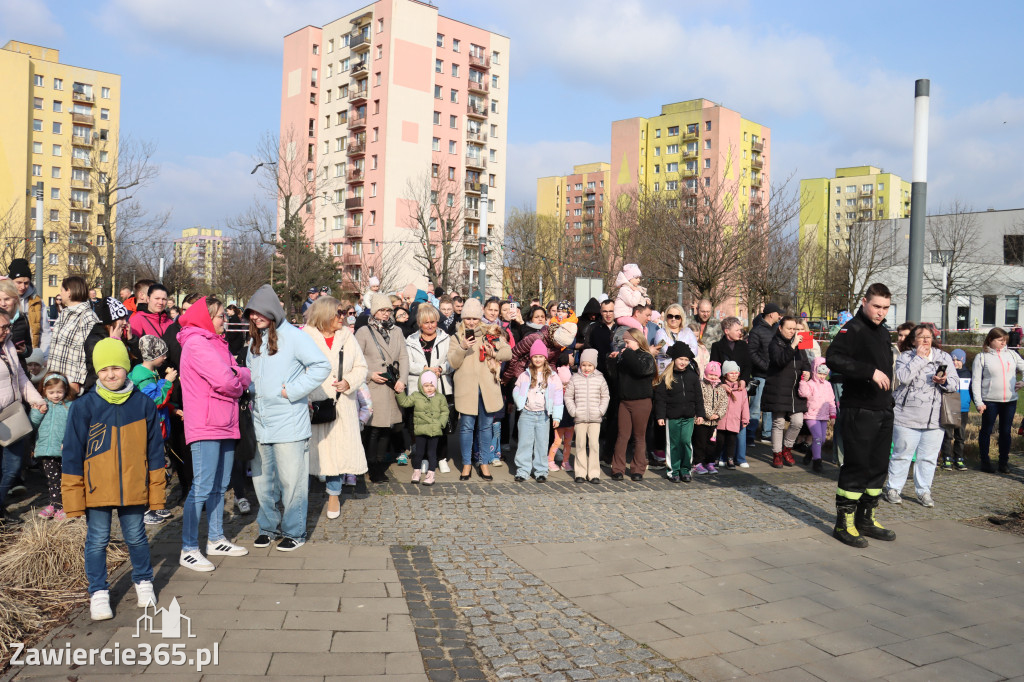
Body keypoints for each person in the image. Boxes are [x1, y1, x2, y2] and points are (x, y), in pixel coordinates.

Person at [61, 339, 165, 619]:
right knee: (97, 540)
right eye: (104, 369)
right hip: (97, 489)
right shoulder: (84, 407)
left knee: (136, 536)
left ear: (126, 368)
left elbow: (155, 450)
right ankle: (98, 592)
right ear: (96, 372)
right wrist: (73, 498)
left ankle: (144, 581)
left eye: (116, 368)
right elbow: (72, 453)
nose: (110, 374)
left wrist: (156, 494)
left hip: (134, 486)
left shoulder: (143, 404)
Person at [245, 284, 331, 552]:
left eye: (259, 312)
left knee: (292, 481)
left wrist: (291, 391)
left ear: (271, 310)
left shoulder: (295, 336)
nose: (255, 317)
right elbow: (251, 372)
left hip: (289, 422)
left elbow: (321, 366)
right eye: (251, 313)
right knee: (262, 480)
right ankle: (268, 526)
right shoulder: (255, 339)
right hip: (260, 421)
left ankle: (295, 531)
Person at [177, 297, 252, 570]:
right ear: (208, 318)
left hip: (226, 421)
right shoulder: (197, 343)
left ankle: (216, 537)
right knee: (202, 486)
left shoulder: (216, 343)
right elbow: (228, 380)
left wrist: (238, 376)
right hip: (206, 423)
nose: (225, 320)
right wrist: (238, 377)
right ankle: (188, 547)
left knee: (220, 485)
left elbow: (240, 373)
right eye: (220, 316)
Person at [825, 283, 897, 547]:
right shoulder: (852, 328)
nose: (881, 312)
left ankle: (866, 519)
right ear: (865, 302)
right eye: (877, 306)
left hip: (882, 409)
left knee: (878, 466)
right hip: (859, 409)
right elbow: (832, 358)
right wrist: (870, 372)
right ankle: (844, 523)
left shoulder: (883, 331)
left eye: (886, 308)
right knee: (856, 466)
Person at [302, 296, 368, 513]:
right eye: (339, 312)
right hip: (313, 403)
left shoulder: (347, 338)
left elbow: (361, 366)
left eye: (343, 312)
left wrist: (348, 381)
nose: (343, 316)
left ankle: (333, 495)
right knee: (310, 451)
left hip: (341, 403)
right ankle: (301, 499)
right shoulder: (305, 337)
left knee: (337, 451)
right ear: (325, 314)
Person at [884, 324, 957, 508]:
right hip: (907, 415)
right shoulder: (906, 356)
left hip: (934, 419)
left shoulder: (944, 357)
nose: (925, 340)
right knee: (902, 454)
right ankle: (893, 488)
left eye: (928, 336)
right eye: (921, 336)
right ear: (913, 340)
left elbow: (955, 384)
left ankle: (924, 491)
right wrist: (919, 358)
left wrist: (945, 381)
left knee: (928, 457)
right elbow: (903, 376)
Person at [449, 298, 511, 480]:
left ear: (480, 318)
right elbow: (452, 362)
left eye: (475, 318)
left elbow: (508, 353)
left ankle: (484, 463)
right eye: (467, 318)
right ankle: (467, 464)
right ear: (462, 318)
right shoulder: (456, 337)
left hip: (487, 389)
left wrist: (493, 351)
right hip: (467, 389)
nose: (471, 322)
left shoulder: (490, 333)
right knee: (467, 427)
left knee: (485, 428)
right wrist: (462, 347)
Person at [355, 293, 409, 483]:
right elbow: (356, 360)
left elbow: (403, 356)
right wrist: (369, 374)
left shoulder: (397, 331)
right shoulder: (363, 331)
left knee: (387, 427)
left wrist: (402, 379)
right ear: (374, 311)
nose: (386, 314)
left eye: (388, 310)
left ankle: (379, 465)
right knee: (374, 429)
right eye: (382, 310)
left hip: (392, 385)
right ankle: (372, 467)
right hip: (373, 386)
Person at [129, 336, 176, 526]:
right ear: (152, 355)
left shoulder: (151, 374)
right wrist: (168, 382)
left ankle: (156, 504)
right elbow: (154, 401)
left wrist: (173, 408)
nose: (165, 358)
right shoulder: (143, 378)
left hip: (158, 430)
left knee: (158, 470)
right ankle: (145, 508)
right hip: (148, 431)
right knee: (149, 471)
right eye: (162, 354)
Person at [405, 303, 453, 474]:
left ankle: (441, 457)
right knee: (421, 426)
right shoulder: (410, 340)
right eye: (426, 322)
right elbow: (408, 364)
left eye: (433, 321)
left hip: (440, 387)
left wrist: (442, 369)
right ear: (419, 323)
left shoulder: (446, 338)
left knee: (440, 425)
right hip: (419, 390)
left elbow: (451, 362)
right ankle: (423, 457)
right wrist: (425, 368)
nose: (430, 325)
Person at [971, 327, 1024, 474]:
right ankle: (985, 461)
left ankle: (1003, 462)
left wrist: (1023, 381)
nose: (1003, 343)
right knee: (987, 430)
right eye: (1000, 340)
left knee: (1006, 432)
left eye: (1005, 340)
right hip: (990, 401)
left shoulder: (1012, 355)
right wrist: (979, 402)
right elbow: (975, 381)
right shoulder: (981, 357)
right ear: (990, 340)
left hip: (1010, 401)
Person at [512, 339, 564, 483]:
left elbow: (559, 397)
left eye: (541, 356)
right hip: (527, 414)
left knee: (541, 444)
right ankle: (523, 471)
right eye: (535, 356)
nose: (538, 359)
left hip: (544, 415)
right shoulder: (525, 375)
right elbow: (516, 389)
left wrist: (557, 416)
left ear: (545, 358)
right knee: (524, 443)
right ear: (531, 357)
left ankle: (541, 470)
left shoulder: (552, 376)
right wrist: (520, 401)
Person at [764, 316, 812, 468]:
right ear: (780, 328)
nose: (793, 332)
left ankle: (787, 448)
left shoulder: (800, 343)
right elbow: (780, 360)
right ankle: (777, 453)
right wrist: (793, 345)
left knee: (798, 421)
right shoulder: (774, 343)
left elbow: (806, 362)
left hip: (795, 391)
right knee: (778, 422)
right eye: (789, 328)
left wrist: (807, 371)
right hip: (778, 389)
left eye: (794, 328)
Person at [610, 328, 656, 481]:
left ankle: (638, 469)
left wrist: (628, 354)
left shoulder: (647, 356)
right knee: (622, 436)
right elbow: (614, 377)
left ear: (637, 341)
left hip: (641, 402)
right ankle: (617, 468)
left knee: (639, 436)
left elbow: (640, 370)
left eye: (628, 342)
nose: (626, 345)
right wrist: (612, 360)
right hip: (625, 401)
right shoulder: (625, 357)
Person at [654, 343, 703, 483]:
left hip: (688, 416)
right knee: (673, 444)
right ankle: (673, 471)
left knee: (686, 442)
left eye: (686, 360)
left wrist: (700, 414)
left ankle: (685, 469)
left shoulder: (692, 376)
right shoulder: (666, 376)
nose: (683, 362)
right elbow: (661, 399)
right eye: (681, 359)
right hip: (672, 416)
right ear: (674, 359)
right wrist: (660, 416)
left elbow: (698, 397)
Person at [710, 317, 752, 467]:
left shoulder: (743, 346)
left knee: (739, 422)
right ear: (727, 331)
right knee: (722, 425)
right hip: (723, 389)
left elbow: (748, 365)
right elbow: (714, 367)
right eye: (737, 330)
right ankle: (721, 456)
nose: (741, 332)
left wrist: (744, 380)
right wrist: (720, 383)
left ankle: (739, 457)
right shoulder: (717, 346)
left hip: (739, 388)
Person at [30, 373, 73, 520]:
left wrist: (68, 442)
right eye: (51, 392)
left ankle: (61, 505)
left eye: (59, 392)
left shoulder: (69, 406)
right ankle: (54, 504)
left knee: (63, 479)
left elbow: (73, 427)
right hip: (46, 450)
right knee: (52, 479)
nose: (56, 395)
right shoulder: (43, 405)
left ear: (65, 390)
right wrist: (37, 411)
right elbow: (33, 424)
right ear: (44, 391)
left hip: (63, 450)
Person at [47, 276, 101, 394]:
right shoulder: (64, 313)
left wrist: (76, 380)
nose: (60, 293)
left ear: (69, 292)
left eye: (62, 290)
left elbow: (84, 351)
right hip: (56, 379)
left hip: (71, 383)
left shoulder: (87, 317)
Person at [395, 371, 449, 485]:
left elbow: (445, 411)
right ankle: (417, 471)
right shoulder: (416, 396)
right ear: (421, 385)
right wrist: (400, 393)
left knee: (432, 453)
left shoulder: (440, 397)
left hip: (434, 430)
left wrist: (440, 423)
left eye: (432, 385)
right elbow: (405, 402)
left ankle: (431, 474)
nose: (429, 388)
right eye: (426, 386)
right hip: (420, 430)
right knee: (419, 453)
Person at [564, 348, 609, 484]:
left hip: (595, 418)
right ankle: (580, 472)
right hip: (580, 418)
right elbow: (568, 396)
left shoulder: (600, 379)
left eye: (589, 365)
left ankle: (594, 473)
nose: (586, 368)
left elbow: (605, 396)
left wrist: (601, 410)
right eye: (584, 365)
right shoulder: (575, 378)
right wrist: (574, 411)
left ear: (594, 365)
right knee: (580, 445)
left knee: (594, 445)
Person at [748, 303, 782, 445]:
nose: (779, 316)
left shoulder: (777, 329)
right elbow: (752, 352)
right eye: (778, 313)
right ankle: (750, 434)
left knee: (769, 406)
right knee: (755, 407)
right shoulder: (757, 331)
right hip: (760, 375)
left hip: (773, 375)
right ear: (770, 314)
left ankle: (766, 434)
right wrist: (764, 366)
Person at [799, 358, 837, 472]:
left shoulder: (828, 385)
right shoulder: (810, 383)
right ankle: (817, 461)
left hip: (824, 416)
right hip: (811, 415)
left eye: (824, 374)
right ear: (815, 371)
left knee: (822, 440)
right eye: (819, 373)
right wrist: (802, 382)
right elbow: (803, 393)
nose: (821, 376)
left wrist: (833, 415)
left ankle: (811, 451)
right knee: (817, 437)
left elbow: (831, 400)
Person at [9, 258, 50, 355]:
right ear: (11, 281)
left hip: (31, 354)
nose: (23, 287)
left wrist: (43, 356)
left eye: (26, 283)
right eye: (18, 282)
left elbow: (45, 332)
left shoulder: (37, 301)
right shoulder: (3, 298)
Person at [692, 362, 727, 475]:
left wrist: (718, 414)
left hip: (714, 422)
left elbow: (724, 402)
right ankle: (697, 463)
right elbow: (700, 401)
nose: (713, 377)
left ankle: (709, 462)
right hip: (702, 421)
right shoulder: (701, 385)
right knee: (700, 443)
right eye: (711, 374)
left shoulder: (720, 388)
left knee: (712, 443)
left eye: (715, 375)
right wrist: (709, 414)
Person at [941, 348, 970, 471]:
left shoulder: (968, 374)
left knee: (960, 435)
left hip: (963, 408)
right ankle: (947, 458)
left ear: (963, 360)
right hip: (949, 406)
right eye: (952, 360)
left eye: (958, 360)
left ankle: (959, 458)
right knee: (947, 435)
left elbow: (972, 391)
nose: (955, 362)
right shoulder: (945, 372)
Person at [718, 361, 749, 469]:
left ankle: (730, 459)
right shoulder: (720, 387)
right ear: (725, 374)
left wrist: (745, 419)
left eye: (736, 373)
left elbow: (745, 405)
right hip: (721, 419)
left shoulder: (742, 389)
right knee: (720, 440)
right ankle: (719, 458)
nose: (734, 375)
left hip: (734, 420)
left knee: (731, 441)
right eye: (731, 373)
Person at [654, 304, 699, 373]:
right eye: (670, 316)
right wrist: (683, 351)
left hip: (684, 372)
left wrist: (673, 349)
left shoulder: (688, 332)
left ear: (681, 318)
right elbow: (663, 347)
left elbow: (694, 351)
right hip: (665, 371)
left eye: (677, 317)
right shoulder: (660, 333)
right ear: (666, 317)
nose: (673, 319)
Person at [547, 366, 575, 472]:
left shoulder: (572, 394)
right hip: (560, 423)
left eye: (567, 384)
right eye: (562, 384)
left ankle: (565, 461)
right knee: (557, 442)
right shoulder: (557, 394)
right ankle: (550, 460)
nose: (564, 387)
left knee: (568, 443)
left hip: (570, 423)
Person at [0, 279, 32, 360]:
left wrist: (25, 351)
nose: (3, 304)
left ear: (15, 299)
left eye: (7, 299)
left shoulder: (22, 318)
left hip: (18, 367)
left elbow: (29, 348)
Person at [613, 264, 650, 330]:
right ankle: (641, 340)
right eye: (636, 278)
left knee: (645, 329)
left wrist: (646, 299)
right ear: (629, 278)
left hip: (628, 316)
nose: (639, 280)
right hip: (622, 316)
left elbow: (641, 297)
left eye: (639, 278)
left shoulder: (633, 289)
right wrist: (637, 291)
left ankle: (644, 339)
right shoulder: (624, 289)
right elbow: (633, 302)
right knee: (639, 327)